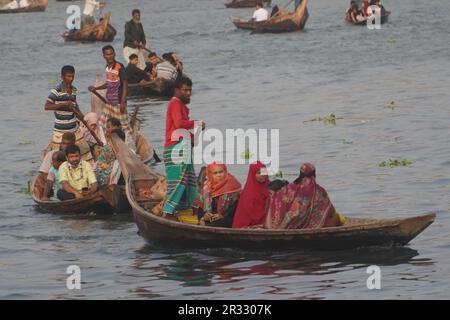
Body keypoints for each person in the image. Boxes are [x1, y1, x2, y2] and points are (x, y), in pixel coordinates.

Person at [162, 77, 205, 217]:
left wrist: (194, 136)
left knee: (188, 181)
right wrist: (197, 123)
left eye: (190, 90)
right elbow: (180, 124)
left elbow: (181, 129)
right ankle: (168, 212)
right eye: (185, 90)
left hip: (182, 147)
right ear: (177, 90)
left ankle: (187, 211)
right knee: (178, 182)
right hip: (175, 149)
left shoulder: (180, 105)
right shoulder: (175, 103)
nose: (188, 93)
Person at [265, 163, 341, 229]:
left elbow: (276, 200)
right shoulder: (320, 191)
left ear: (300, 174)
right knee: (336, 218)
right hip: (314, 226)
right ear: (314, 174)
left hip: (289, 226)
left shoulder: (289, 188)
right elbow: (331, 211)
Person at [45, 65, 93, 163]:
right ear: (63, 77)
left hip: (74, 129)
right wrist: (63, 104)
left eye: (72, 77)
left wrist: (80, 114)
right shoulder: (56, 90)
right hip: (60, 130)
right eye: (68, 77)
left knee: (85, 153)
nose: (71, 79)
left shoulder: (74, 89)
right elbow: (47, 106)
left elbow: (75, 104)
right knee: (59, 157)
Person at [89, 45, 130, 136]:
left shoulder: (119, 66)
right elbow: (109, 84)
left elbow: (125, 83)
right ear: (104, 56)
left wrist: (123, 101)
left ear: (114, 54)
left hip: (118, 102)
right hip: (109, 102)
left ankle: (129, 146)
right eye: (107, 54)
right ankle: (104, 143)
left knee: (124, 126)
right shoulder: (107, 67)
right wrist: (96, 88)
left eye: (111, 54)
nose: (110, 56)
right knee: (101, 124)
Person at [195, 162, 242, 228]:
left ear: (225, 172)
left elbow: (236, 207)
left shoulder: (233, 185)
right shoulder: (206, 187)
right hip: (211, 218)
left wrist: (221, 215)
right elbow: (201, 207)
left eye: (221, 172)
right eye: (215, 173)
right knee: (204, 223)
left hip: (228, 218)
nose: (218, 175)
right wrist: (205, 216)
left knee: (212, 225)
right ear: (210, 175)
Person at [232, 161, 270, 228]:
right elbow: (252, 213)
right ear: (252, 174)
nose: (262, 175)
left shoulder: (269, 186)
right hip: (248, 224)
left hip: (264, 220)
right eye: (258, 173)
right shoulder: (249, 192)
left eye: (264, 172)